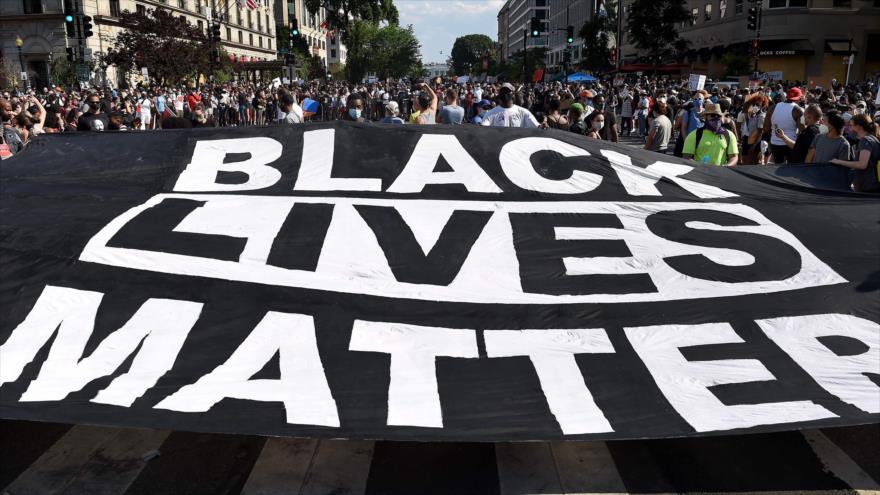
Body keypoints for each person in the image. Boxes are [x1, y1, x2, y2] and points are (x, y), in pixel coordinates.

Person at [830, 114, 880, 192]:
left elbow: (862, 164)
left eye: (851, 125)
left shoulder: (865, 140)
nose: (849, 128)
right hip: (872, 184)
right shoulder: (872, 138)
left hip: (869, 186)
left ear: (858, 127)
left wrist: (839, 162)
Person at [765, 87, 804, 163]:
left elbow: (766, 128)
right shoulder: (798, 110)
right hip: (791, 144)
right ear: (799, 98)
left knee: (777, 166)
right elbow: (802, 130)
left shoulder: (772, 107)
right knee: (791, 168)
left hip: (775, 143)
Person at [740, 93, 768, 164]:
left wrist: (753, 146)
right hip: (747, 138)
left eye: (758, 105)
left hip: (755, 141)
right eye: (754, 104)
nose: (755, 106)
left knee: (752, 160)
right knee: (744, 159)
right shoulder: (750, 114)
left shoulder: (761, 116)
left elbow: (760, 132)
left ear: (762, 105)